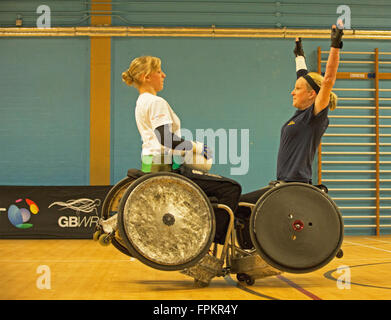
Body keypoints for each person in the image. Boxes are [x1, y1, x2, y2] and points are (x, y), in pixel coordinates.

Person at [235, 24, 344, 249]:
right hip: (282, 184)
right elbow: (303, 76)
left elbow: (328, 79)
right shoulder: (301, 114)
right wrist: (299, 55)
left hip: (294, 186)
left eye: (297, 89)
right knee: (242, 208)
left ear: (312, 95)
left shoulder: (314, 117)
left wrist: (335, 45)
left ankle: (251, 255)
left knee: (241, 206)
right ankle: (251, 254)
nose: (292, 91)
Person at [122, 56, 242, 246]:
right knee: (231, 188)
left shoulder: (141, 102)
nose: (164, 75)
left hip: (154, 164)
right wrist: (196, 147)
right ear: (146, 77)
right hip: (166, 168)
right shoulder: (155, 102)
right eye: (159, 71)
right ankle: (213, 241)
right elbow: (165, 138)